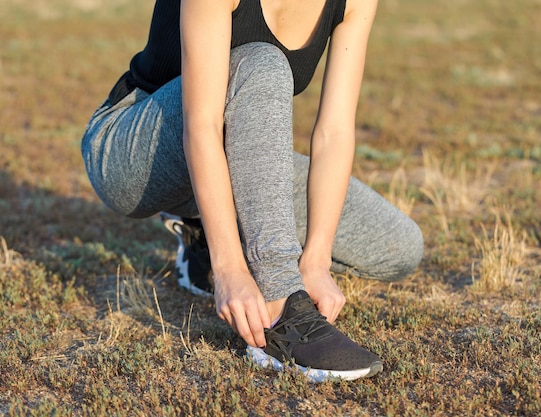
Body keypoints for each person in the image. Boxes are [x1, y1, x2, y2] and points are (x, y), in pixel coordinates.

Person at [81, 0, 423, 382]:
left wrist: (316, 259)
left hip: (229, 153)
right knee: (262, 63)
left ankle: (203, 237)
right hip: (134, 151)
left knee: (400, 246)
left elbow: (334, 132)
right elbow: (203, 124)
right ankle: (281, 315)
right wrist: (228, 269)